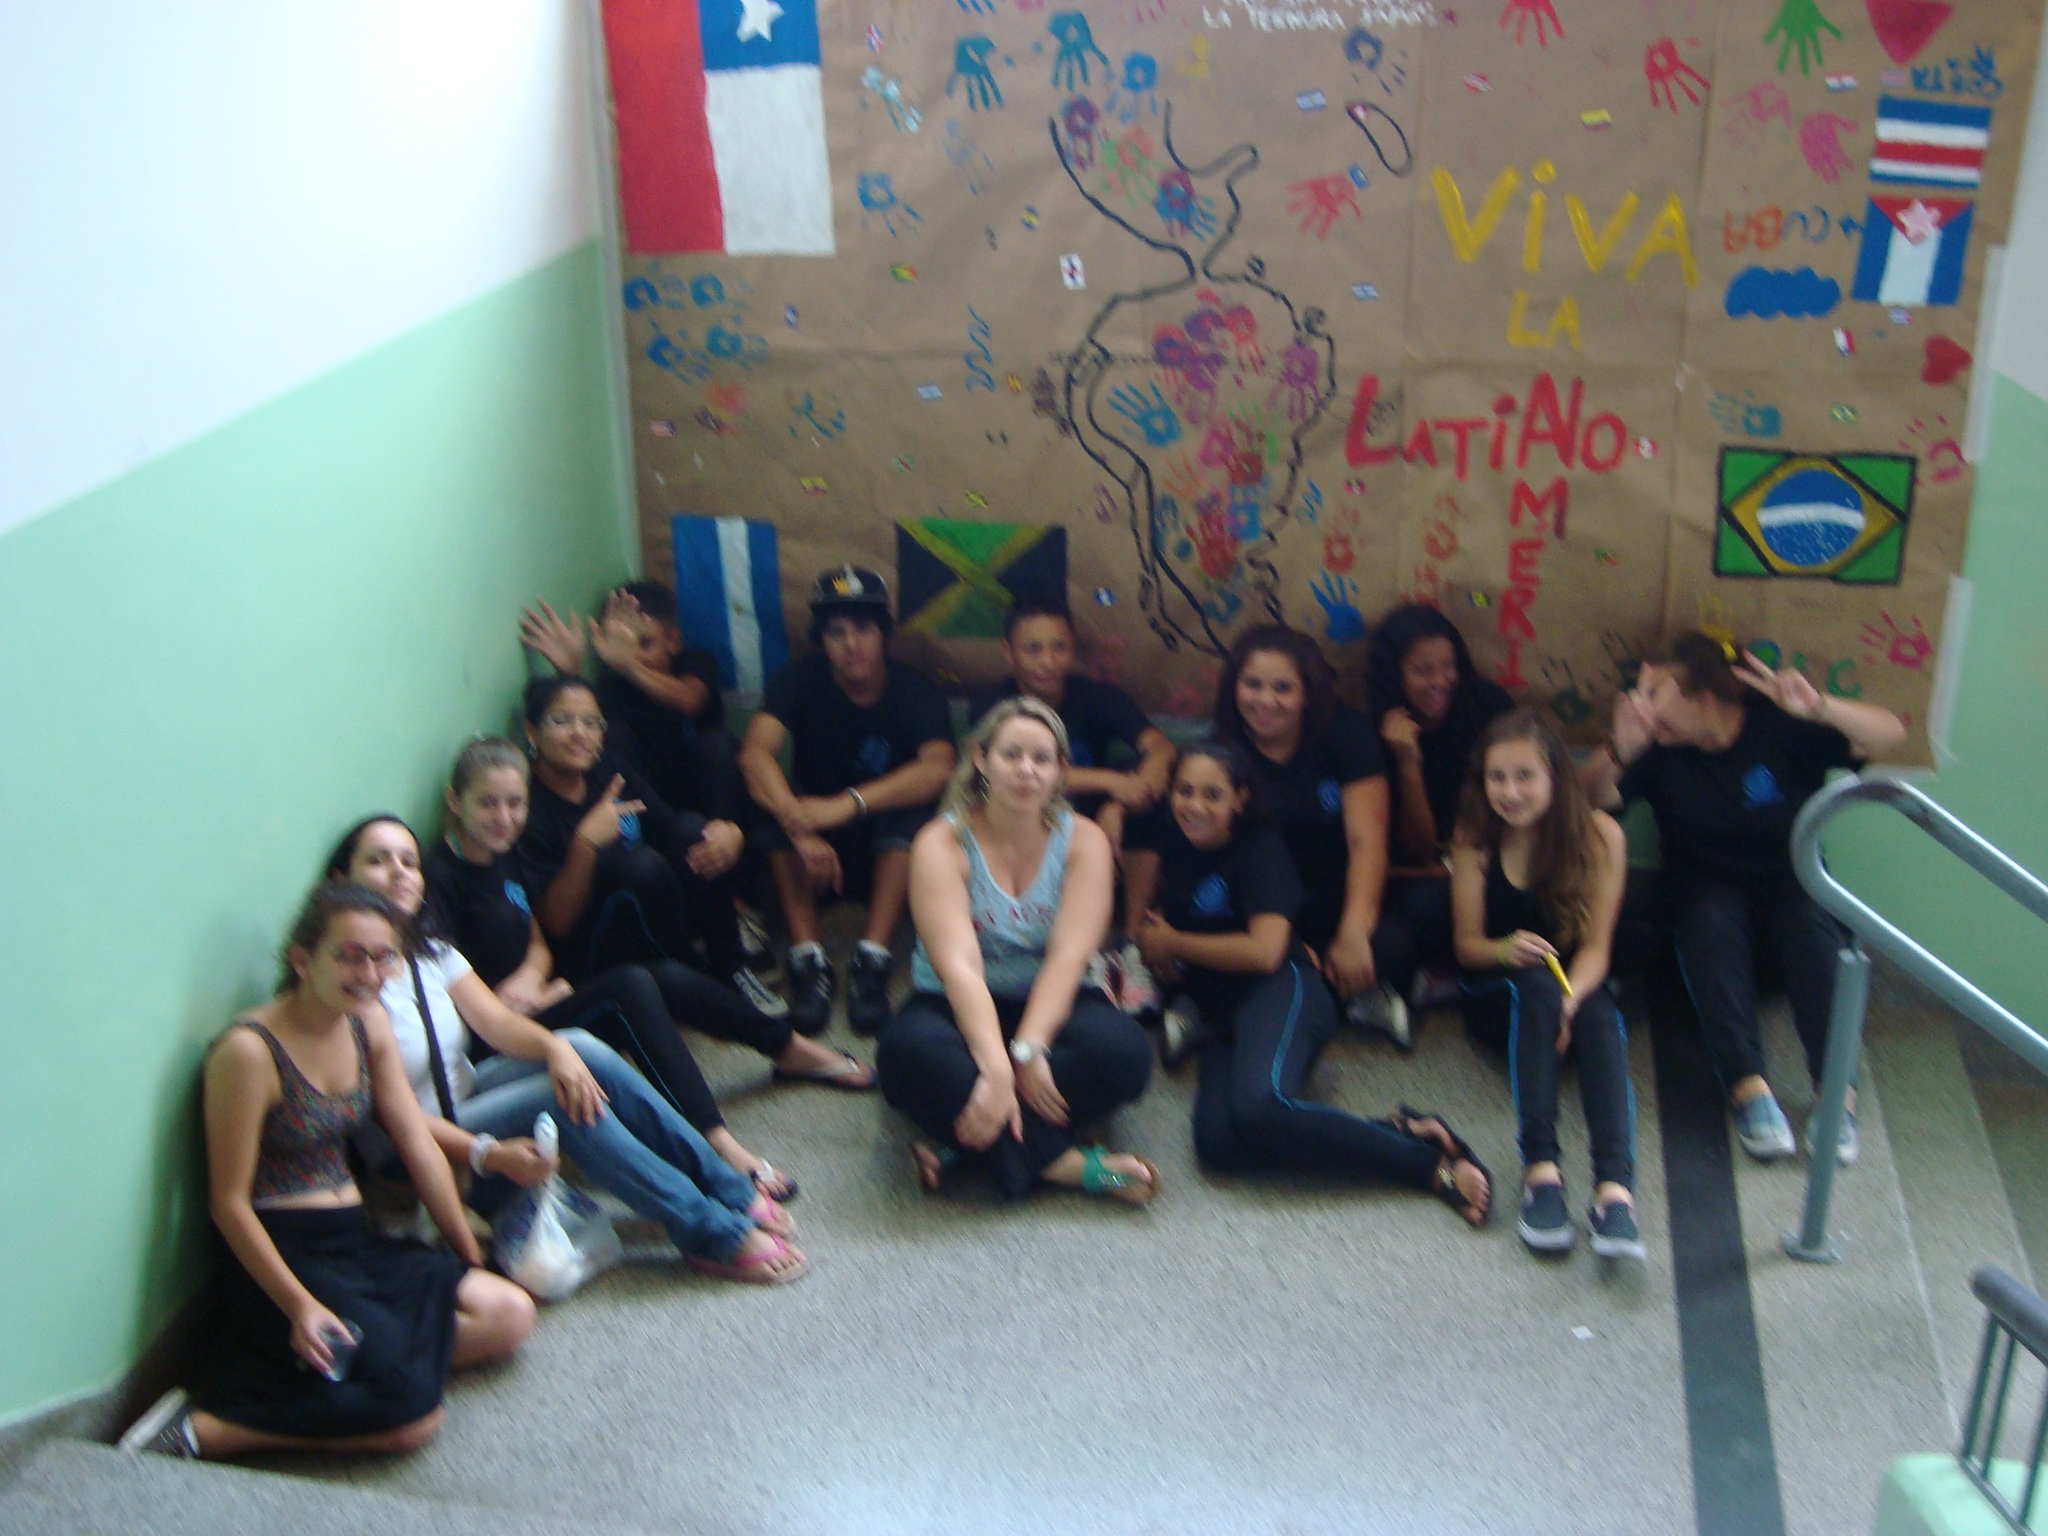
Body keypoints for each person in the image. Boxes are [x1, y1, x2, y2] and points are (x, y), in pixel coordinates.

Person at [120, 884, 535, 1460]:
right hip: (287, 1257)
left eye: (383, 957)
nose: (369, 974)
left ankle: (352, 1370)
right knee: (412, 1420)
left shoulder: (367, 1025)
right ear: (302, 959)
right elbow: (228, 1205)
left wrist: (465, 1251)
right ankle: (203, 1429)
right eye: (350, 956)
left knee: (510, 1315)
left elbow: (416, 1140)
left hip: (356, 1244)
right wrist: (299, 1306)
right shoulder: (249, 1052)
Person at [332, 816, 807, 1284]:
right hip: (421, 1148)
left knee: (578, 1046)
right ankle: (706, 1229)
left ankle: (724, 1184)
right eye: (378, 861)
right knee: (558, 1098)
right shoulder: (347, 990)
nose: (399, 872)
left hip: (465, 1096)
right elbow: (392, 1122)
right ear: (341, 879)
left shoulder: (428, 951)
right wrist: (487, 1151)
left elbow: (498, 1024)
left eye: (409, 861)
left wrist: (554, 1049)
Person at [426, 740, 873, 1198]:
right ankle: (715, 1142)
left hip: (537, 1000)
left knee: (662, 975)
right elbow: (444, 1002)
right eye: (488, 804)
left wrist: (534, 976)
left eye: (515, 803)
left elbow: (536, 936)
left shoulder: (500, 852)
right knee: (629, 987)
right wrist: (528, 998)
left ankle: (787, 1047)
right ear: (455, 801)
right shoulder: (439, 882)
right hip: (498, 1040)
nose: (504, 817)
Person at [1129, 743, 1491, 1225]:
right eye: (1184, 791)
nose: (1195, 805)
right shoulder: (1171, 843)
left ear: (1239, 799)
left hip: (1284, 989)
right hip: (1222, 1013)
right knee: (1219, 1146)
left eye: (1212, 795)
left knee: (1260, 1108)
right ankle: (1402, 1130)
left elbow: (1265, 951)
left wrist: (1174, 943)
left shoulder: (1261, 849)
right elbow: (1151, 929)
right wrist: (1160, 953)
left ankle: (1427, 1166)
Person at [1581, 633, 1906, 1163]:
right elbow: (1586, 804)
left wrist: (1819, 707)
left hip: (1791, 897)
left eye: (1656, 693)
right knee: (1709, 914)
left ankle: (1837, 1096)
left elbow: (1891, 734)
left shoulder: (1778, 728)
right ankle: (1748, 1090)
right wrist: (1620, 748)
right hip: (1706, 914)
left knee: (1807, 915)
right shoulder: (1661, 749)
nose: (1645, 706)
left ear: (1703, 697)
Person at [876, 697, 1159, 1204]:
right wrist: (997, 1067)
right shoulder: (940, 841)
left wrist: (1028, 1049)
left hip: (1053, 1001)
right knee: (904, 1055)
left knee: (1126, 1054)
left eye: (1041, 759)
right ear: (981, 760)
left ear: (1060, 771)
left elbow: (1069, 956)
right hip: (956, 1001)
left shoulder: (1085, 841)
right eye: (1011, 755)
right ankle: (1067, 1165)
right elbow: (959, 967)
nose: (1027, 770)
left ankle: (963, 1145)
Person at [1129, 625, 1413, 1046]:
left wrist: (1353, 933)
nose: (1265, 700)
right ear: (1234, 688)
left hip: (1328, 900)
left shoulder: (1347, 733)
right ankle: (1339, 998)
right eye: (1253, 685)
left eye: (1282, 688)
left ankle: (1224, 1007)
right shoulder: (1220, 751)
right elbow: (1186, 845)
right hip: (1254, 907)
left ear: (1307, 693)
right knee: (1194, 944)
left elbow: (1367, 841)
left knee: (1392, 945)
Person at [1451, 710, 1638, 1257]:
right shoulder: (1474, 840)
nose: (1509, 793)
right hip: (1500, 998)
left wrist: (1571, 1001)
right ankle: (1541, 1173)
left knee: (1598, 1009)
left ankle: (1615, 1191)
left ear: (1555, 777)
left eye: (1524, 776)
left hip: (1569, 993)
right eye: (1497, 778)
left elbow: (1597, 948)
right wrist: (1505, 949)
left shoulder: (1601, 836)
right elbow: (1467, 946)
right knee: (1535, 984)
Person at [739, 567, 956, 1036]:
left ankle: (871, 960)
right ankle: (808, 960)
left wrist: (847, 803)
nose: (851, 644)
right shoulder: (799, 678)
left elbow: (939, 768)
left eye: (863, 629)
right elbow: (755, 754)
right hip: (814, 845)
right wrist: (799, 826)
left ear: (884, 635)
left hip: (881, 841)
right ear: (822, 640)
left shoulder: (915, 688)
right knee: (769, 805)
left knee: (919, 817)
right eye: (836, 632)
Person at [515, 676, 786, 1019]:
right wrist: (584, 844)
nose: (579, 733)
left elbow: (670, 825)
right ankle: (693, 980)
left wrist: (731, 834)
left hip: (652, 914)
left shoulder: (607, 767)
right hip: (591, 948)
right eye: (562, 721)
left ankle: (731, 968)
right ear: (532, 731)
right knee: (642, 867)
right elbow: (557, 925)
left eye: (591, 722)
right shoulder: (525, 807)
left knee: (695, 833)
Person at [521, 581, 739, 822]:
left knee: (716, 744)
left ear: (673, 640)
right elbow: (588, 726)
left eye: (644, 643)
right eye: (622, 645)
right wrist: (570, 671)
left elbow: (689, 700)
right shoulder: (615, 686)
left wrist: (628, 665)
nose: (632, 654)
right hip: (653, 799)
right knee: (615, 737)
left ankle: (728, 832)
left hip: (709, 793)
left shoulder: (694, 662)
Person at [1365, 605, 1517, 870]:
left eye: (1448, 666)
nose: (1440, 682)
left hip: (1497, 855)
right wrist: (1407, 764)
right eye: (1423, 670)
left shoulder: (1489, 707)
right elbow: (1416, 852)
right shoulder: (1377, 734)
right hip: (1428, 873)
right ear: (1394, 675)